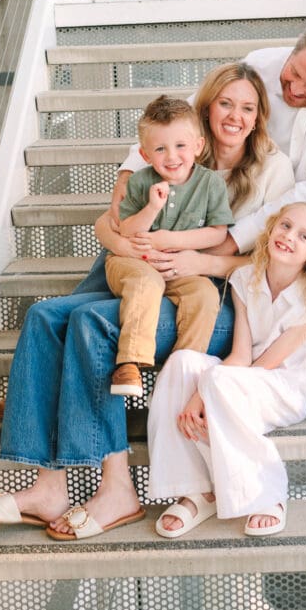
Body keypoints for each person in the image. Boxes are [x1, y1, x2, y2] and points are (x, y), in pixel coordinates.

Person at [0, 62, 294, 535]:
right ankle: (48, 487)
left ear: (259, 114)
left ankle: (118, 488)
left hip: (214, 299)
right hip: (144, 275)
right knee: (42, 316)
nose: (235, 116)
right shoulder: (170, 146)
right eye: (226, 103)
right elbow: (111, 223)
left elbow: (275, 263)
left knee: (91, 323)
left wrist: (199, 263)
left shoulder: (273, 169)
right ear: (206, 109)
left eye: (247, 107)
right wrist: (128, 246)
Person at [112, 19, 306, 429]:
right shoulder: (262, 65)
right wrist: (129, 169)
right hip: (248, 201)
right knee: (135, 222)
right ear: (293, 50)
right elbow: (188, 115)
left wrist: (231, 240)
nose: (294, 88)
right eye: (293, 73)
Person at [146, 203, 306, 540]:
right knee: (182, 362)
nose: (289, 237)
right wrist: (203, 388)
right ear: (271, 230)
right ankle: (198, 490)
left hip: (285, 388)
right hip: (243, 378)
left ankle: (267, 494)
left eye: (303, 236)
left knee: (218, 381)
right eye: (285, 226)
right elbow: (240, 354)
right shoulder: (245, 278)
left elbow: (267, 363)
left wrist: (204, 393)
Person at [106, 96, 233, 398]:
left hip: (176, 268)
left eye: (180, 146)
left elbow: (218, 233)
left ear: (198, 146)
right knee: (147, 281)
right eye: (160, 149)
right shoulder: (140, 182)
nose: (172, 156)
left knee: (205, 294)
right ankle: (130, 362)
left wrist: (172, 241)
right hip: (131, 263)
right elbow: (126, 229)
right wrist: (152, 207)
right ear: (145, 154)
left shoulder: (210, 184)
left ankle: (180, 373)